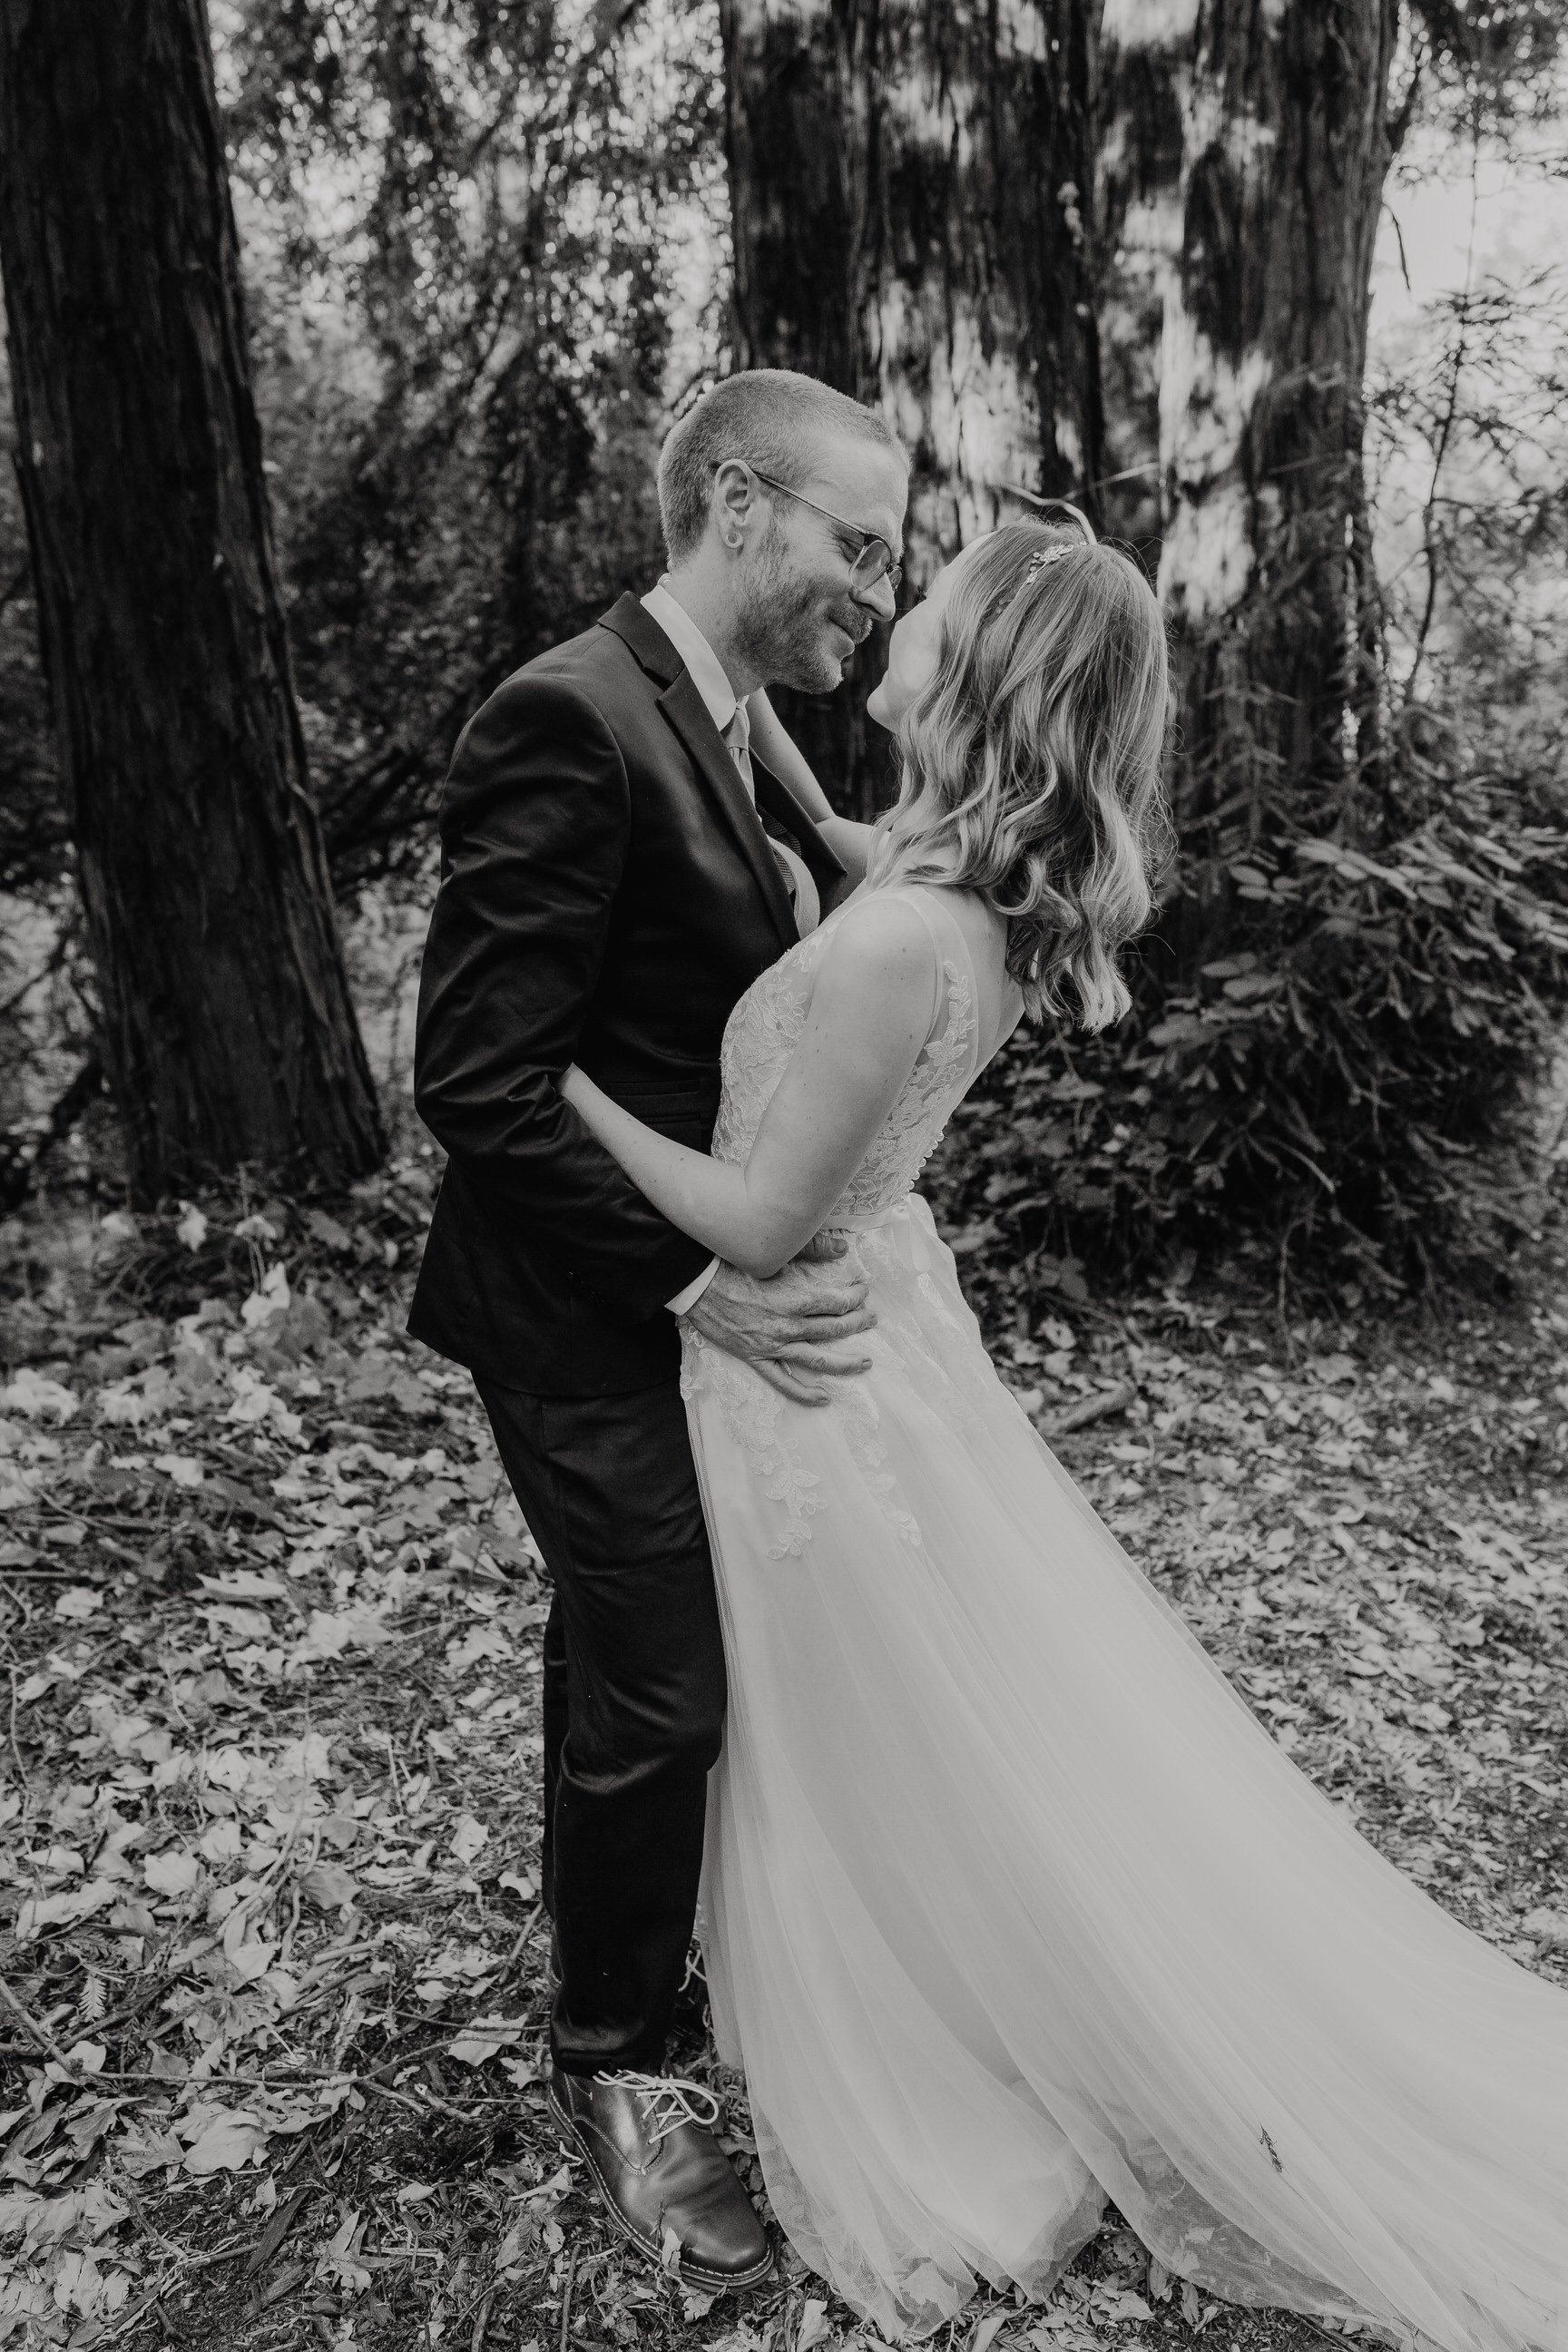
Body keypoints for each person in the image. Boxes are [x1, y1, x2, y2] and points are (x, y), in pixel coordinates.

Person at [558, 518, 1568, 2349]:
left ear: (987, 668)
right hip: (896, 1353)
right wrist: (754, 736)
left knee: (845, 1725)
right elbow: (854, 853)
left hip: (805, 1360)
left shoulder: (900, 949)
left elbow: (760, 1223)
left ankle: (938, 2040)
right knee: (930, 1710)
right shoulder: (955, 886)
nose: (896, 609)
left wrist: (562, 1095)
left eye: (927, 604)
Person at [409, 368, 916, 2292]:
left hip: (678, 1300)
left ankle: (614, 1961)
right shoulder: (565, 714)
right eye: (852, 543)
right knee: (669, 1681)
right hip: (572, 1305)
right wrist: (703, 1277)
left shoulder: (728, 722)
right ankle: (620, 2058)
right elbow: (477, 1075)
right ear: (732, 501)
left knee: (626, 1656)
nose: (869, 591)